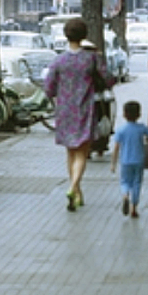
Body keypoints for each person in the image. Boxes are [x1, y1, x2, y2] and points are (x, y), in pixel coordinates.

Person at [44, 17, 113, 211]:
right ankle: (73, 187)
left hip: (64, 110)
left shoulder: (58, 60)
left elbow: (48, 87)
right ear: (84, 36)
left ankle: (77, 192)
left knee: (70, 152)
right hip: (85, 108)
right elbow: (108, 79)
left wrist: (57, 95)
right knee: (82, 152)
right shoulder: (90, 58)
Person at [111, 100, 148, 218]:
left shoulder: (121, 130)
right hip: (139, 160)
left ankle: (125, 195)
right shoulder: (141, 128)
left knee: (125, 182)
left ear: (124, 114)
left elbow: (116, 147)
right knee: (137, 183)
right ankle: (134, 208)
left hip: (125, 161)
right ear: (139, 114)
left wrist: (113, 163)